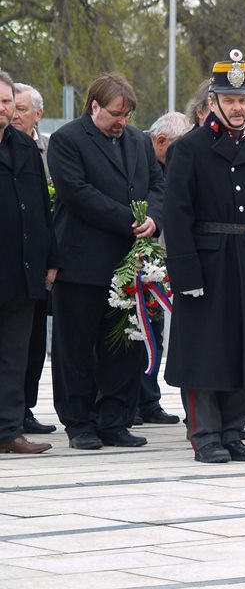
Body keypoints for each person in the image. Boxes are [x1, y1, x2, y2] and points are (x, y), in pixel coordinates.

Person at [163, 50, 245, 463]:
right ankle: (205, 434)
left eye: (243, 100)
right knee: (206, 350)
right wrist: (186, 272)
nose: (237, 108)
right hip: (210, 260)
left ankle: (233, 432)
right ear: (213, 103)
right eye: (229, 100)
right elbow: (177, 215)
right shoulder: (191, 148)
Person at [48, 72, 164, 450]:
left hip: (128, 266)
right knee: (76, 348)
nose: (122, 122)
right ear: (94, 106)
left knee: (124, 345)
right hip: (82, 262)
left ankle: (115, 419)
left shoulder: (137, 142)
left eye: (127, 115)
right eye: (116, 113)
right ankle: (79, 422)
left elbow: (158, 186)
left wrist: (154, 218)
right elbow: (77, 192)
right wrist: (130, 219)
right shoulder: (67, 140)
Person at [0, 71, 57, 454]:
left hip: (20, 270)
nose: (3, 108)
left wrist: (50, 259)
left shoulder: (24, 147)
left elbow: (41, 207)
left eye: (6, 101)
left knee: (14, 355)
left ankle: (8, 431)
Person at [132, 111, 192, 427]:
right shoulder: (137, 156)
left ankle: (148, 400)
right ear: (160, 142)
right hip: (137, 261)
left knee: (154, 333)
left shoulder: (171, 162)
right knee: (136, 331)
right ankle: (133, 400)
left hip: (163, 263)